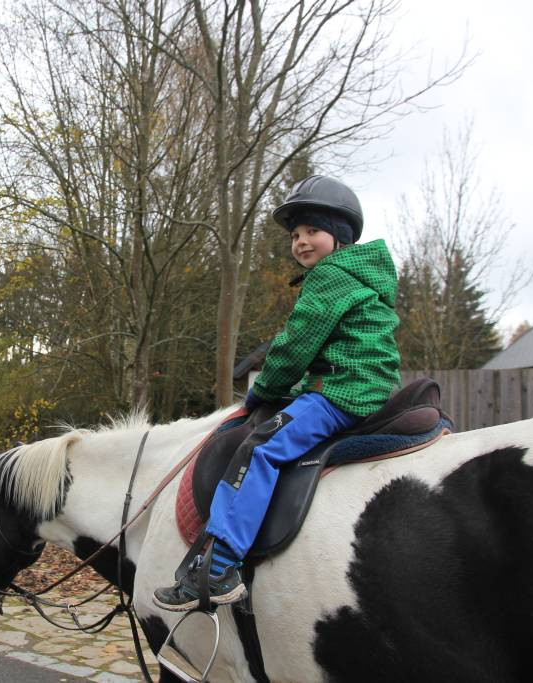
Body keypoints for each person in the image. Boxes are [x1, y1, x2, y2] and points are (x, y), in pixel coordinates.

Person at [153, 175, 401, 611]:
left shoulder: (330, 277)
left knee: (261, 448)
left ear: (340, 236)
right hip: (369, 385)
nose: (301, 241)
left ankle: (219, 568)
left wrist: (261, 392)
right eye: (295, 235)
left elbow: (294, 347)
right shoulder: (361, 275)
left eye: (312, 231)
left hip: (343, 392)